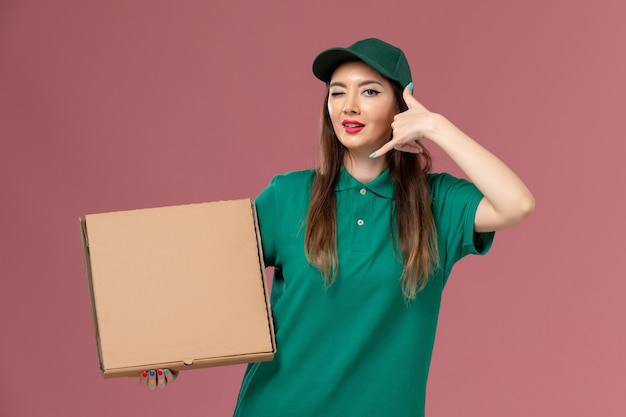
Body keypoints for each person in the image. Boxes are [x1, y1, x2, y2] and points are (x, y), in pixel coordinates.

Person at [138, 38, 535, 416]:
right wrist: (173, 352)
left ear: (402, 104)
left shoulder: (437, 204)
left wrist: (437, 128)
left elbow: (517, 204)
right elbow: (212, 280)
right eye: (337, 92)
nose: (349, 106)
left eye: (369, 92)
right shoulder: (289, 195)